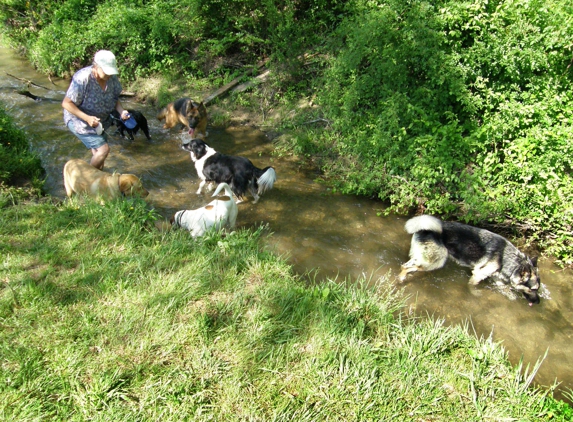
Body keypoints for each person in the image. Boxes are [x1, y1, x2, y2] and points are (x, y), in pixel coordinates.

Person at [62, 50, 130, 170]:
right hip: (79, 120)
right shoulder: (83, 78)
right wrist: (87, 118)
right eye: (106, 71)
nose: (109, 75)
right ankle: (87, 182)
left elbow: (114, 99)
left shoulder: (112, 79)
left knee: (100, 158)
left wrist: (122, 111)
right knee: (103, 151)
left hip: (100, 123)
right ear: (96, 66)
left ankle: (97, 182)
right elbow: (66, 103)